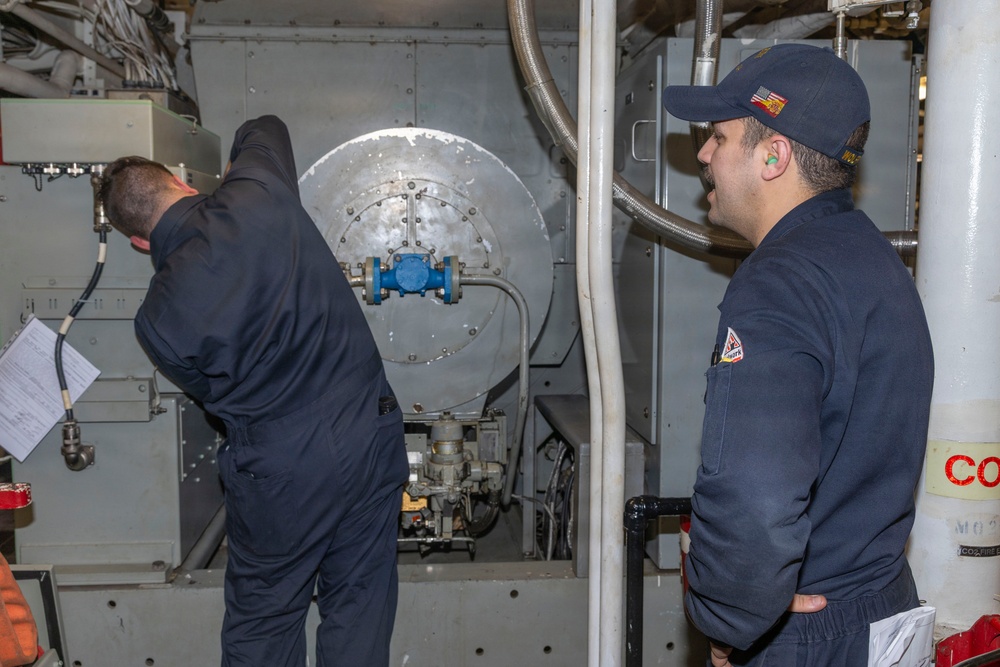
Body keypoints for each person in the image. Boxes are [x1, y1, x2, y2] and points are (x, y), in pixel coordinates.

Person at [99, 115, 409, 667]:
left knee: (266, 618)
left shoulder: (156, 320)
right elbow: (263, 125)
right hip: (369, 429)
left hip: (279, 467)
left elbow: (207, 392)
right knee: (360, 602)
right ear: (185, 184)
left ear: (140, 242)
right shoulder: (258, 189)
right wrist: (234, 174)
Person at [662, 44, 934, 666]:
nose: (703, 154)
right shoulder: (871, 257)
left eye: (720, 137)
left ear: (773, 155)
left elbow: (755, 497)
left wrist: (730, 616)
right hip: (880, 606)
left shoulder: (779, 284)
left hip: (808, 632)